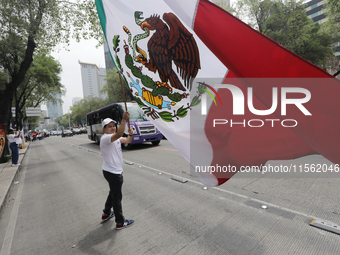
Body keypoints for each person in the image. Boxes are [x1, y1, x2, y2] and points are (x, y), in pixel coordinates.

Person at [100, 112, 134, 230]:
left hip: (114, 171)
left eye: (113, 125)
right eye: (109, 126)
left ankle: (106, 213)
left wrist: (131, 135)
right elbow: (119, 133)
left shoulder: (116, 137)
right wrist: (124, 119)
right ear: (104, 129)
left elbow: (127, 140)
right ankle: (120, 222)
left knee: (113, 192)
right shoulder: (106, 138)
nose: (112, 128)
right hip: (112, 173)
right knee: (117, 196)